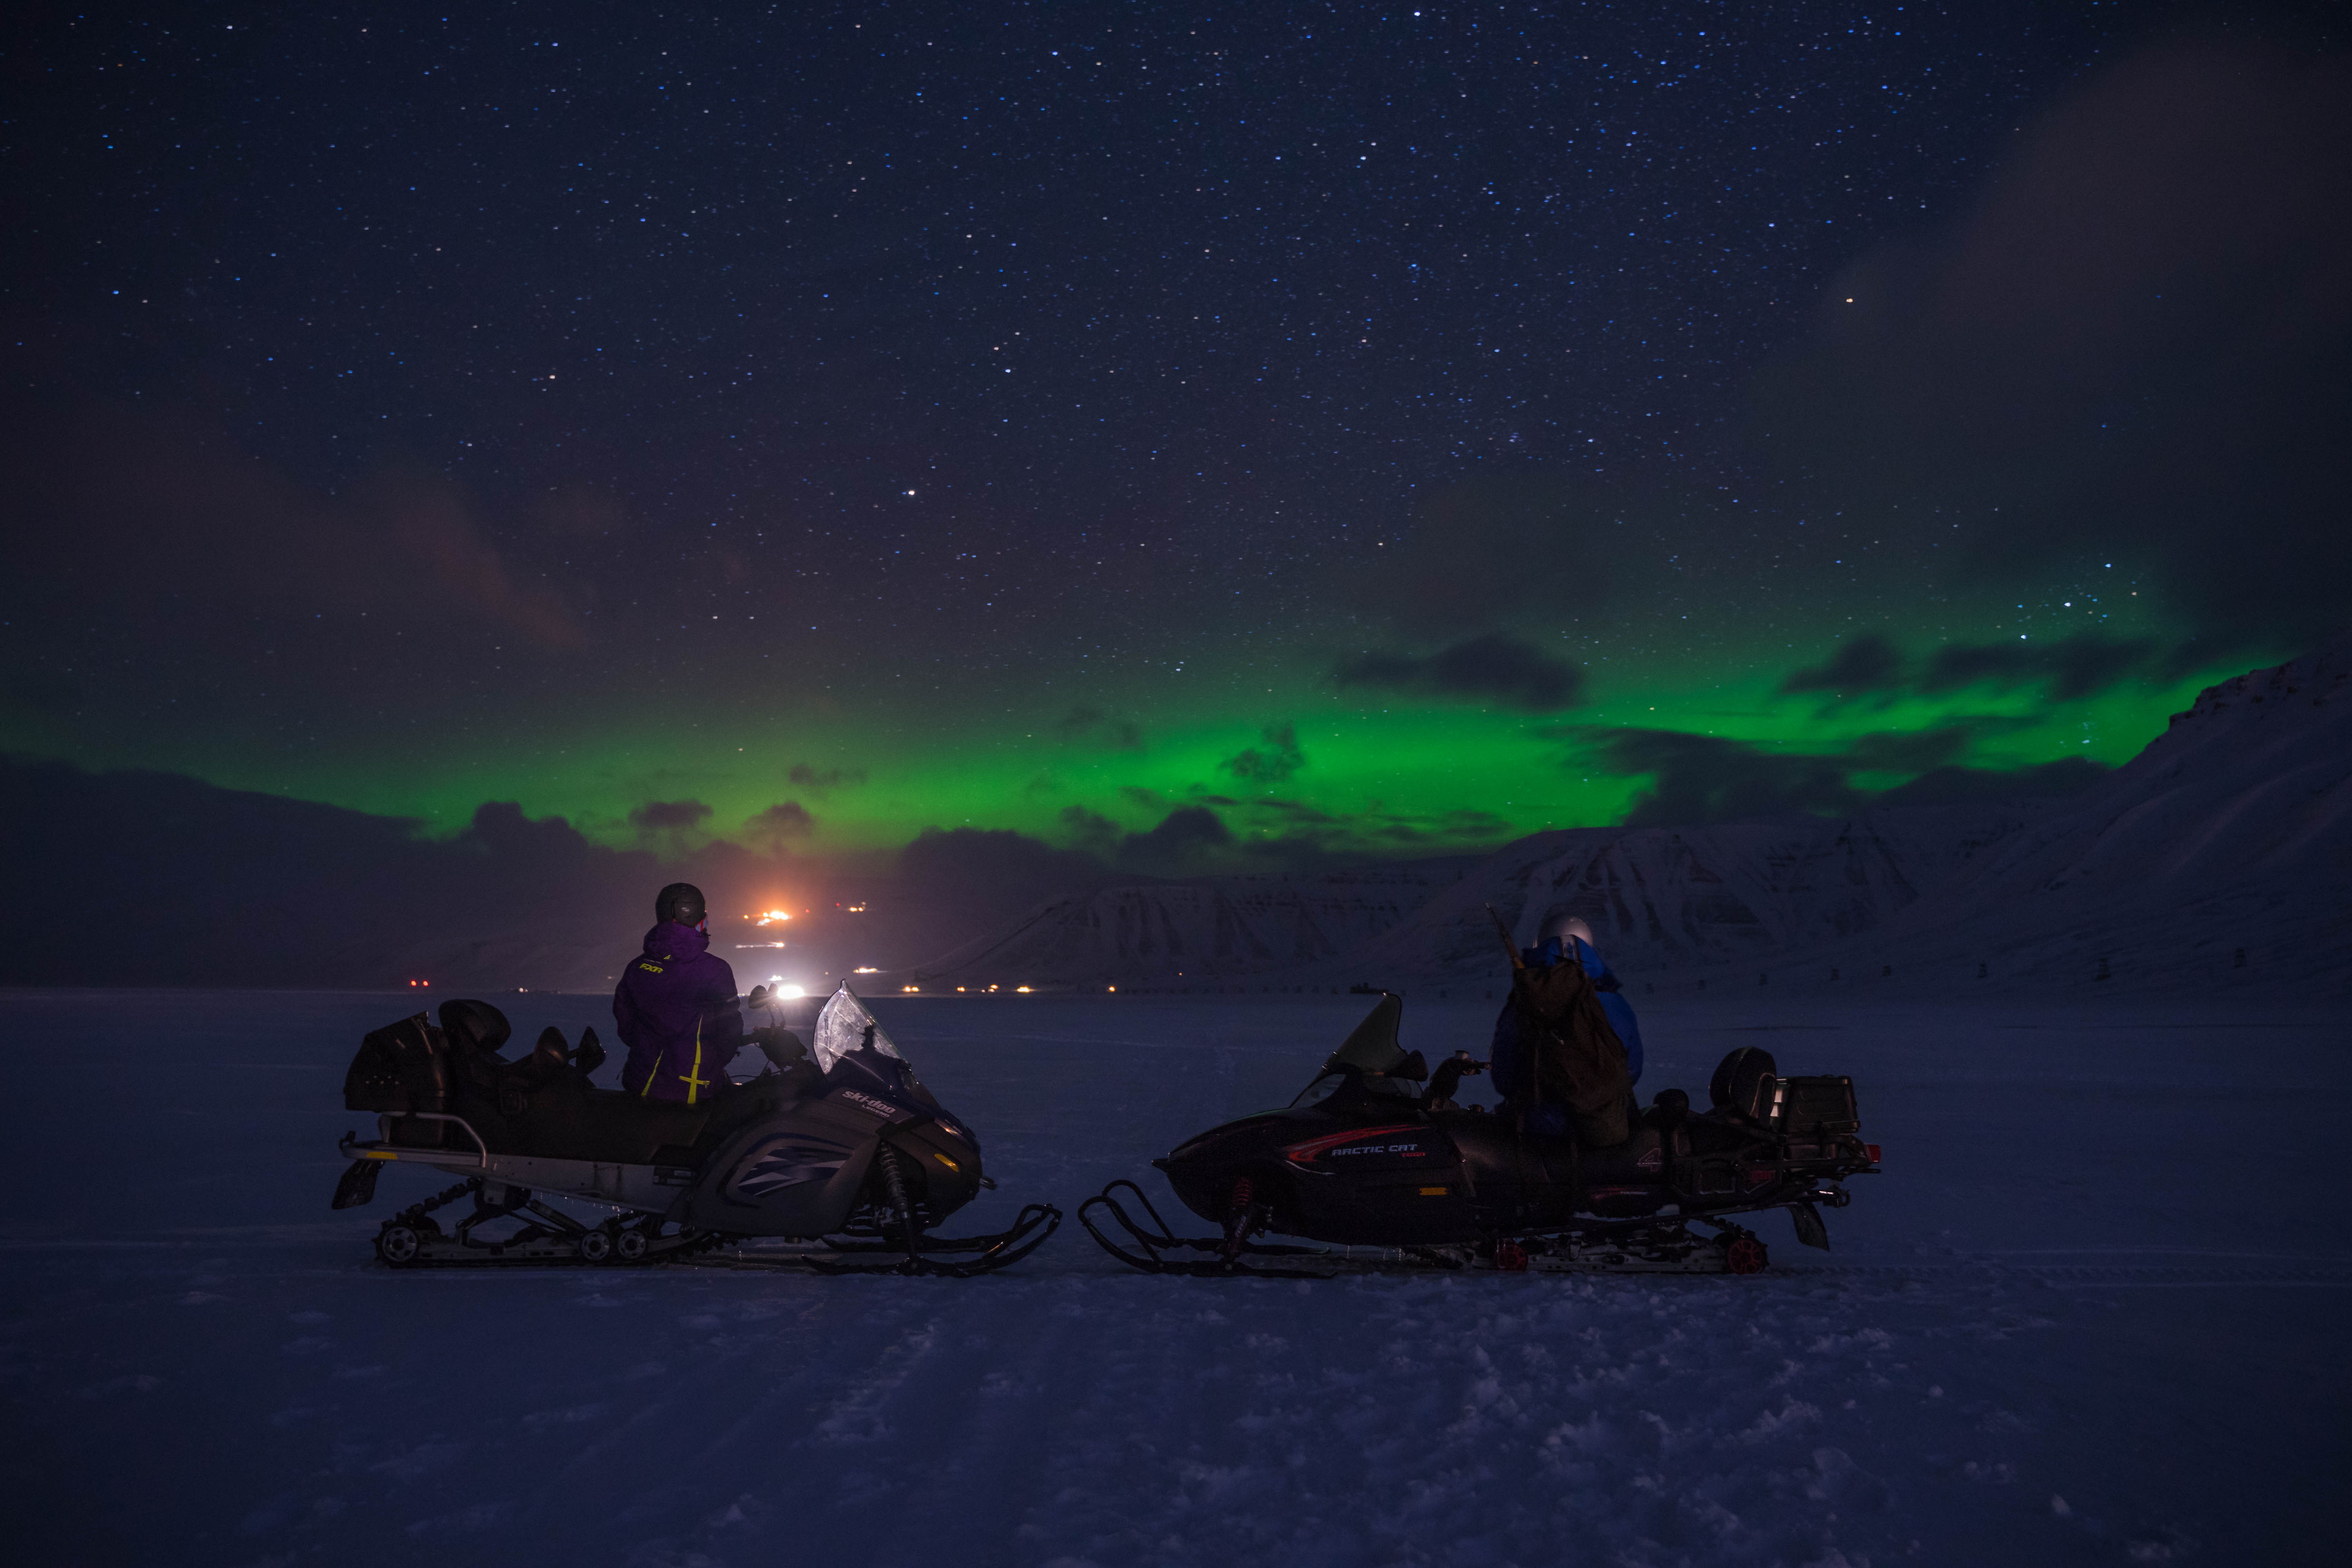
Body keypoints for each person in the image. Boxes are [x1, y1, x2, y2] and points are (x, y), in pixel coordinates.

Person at [1489, 914, 1644, 1141]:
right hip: (1603, 1132)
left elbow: (1503, 1076)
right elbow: (1632, 1072)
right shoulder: (1616, 1005)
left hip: (1538, 1134)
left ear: (1541, 944)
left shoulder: (1525, 1003)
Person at [613, 882, 743, 1105]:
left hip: (641, 1083)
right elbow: (730, 1031)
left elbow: (625, 1025)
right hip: (692, 1091)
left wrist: (647, 1050)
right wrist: (709, 1064)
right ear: (699, 918)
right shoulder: (716, 970)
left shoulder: (637, 967)